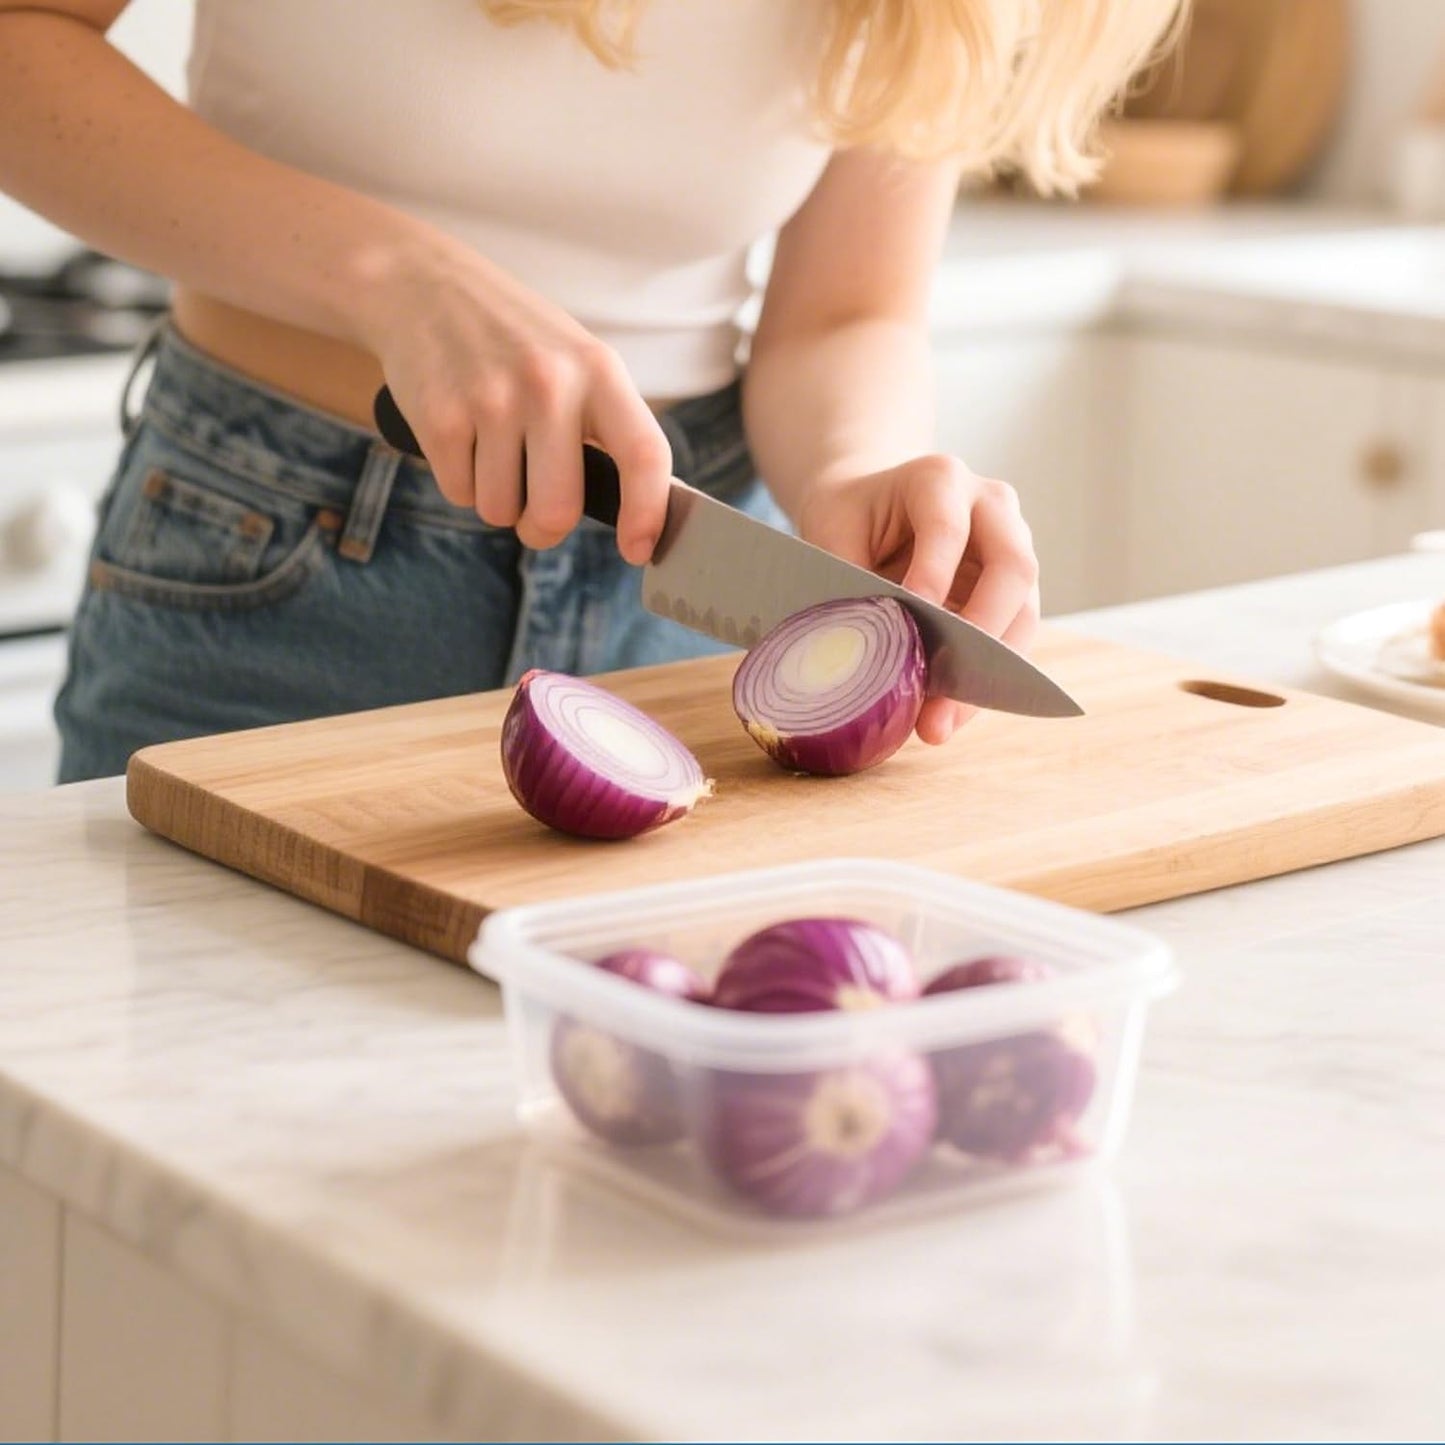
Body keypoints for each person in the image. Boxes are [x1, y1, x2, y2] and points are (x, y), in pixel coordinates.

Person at [0, 0, 1184, 783]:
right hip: (280, 567)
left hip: (687, 606)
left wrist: (856, 468)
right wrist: (392, 276)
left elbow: (845, 313)